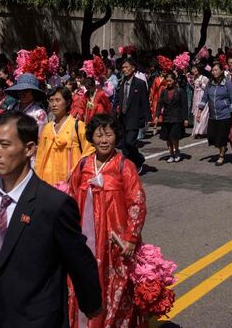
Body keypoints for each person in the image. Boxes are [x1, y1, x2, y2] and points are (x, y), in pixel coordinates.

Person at [0, 112, 102, 327]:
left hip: (36, 320)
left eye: (5, 144)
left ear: (29, 149)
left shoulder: (53, 204)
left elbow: (80, 262)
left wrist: (91, 304)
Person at [67, 114, 147, 328]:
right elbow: (71, 198)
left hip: (114, 242)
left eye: (109, 135)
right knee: (84, 280)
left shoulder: (124, 166)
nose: (104, 140)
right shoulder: (83, 164)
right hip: (85, 241)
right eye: (99, 135)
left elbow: (137, 203)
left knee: (114, 285)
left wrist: (131, 238)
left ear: (116, 137)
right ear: (91, 138)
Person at [35, 87, 95, 186]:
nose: (53, 104)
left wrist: (76, 172)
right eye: (51, 101)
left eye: (58, 100)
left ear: (67, 103)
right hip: (47, 181)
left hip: (70, 181)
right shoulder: (47, 128)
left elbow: (89, 151)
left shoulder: (78, 126)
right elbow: (40, 156)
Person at [198, 61, 232, 166]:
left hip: (225, 115)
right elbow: (204, 97)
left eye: (216, 70)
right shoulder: (210, 83)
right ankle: (222, 148)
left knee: (221, 137)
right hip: (213, 115)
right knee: (212, 137)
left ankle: (221, 156)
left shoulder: (227, 83)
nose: (214, 72)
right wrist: (199, 111)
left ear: (221, 71)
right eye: (213, 70)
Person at [115, 58, 149, 171]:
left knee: (130, 142)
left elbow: (145, 101)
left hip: (134, 118)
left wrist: (147, 118)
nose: (124, 69)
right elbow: (117, 100)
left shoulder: (140, 83)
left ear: (133, 68)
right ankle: (130, 165)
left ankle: (139, 160)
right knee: (124, 145)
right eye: (123, 67)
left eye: (126, 67)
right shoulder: (121, 82)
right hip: (123, 118)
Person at [153, 72, 188, 163]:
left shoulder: (180, 91)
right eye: (167, 81)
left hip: (176, 117)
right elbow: (159, 104)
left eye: (170, 80)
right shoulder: (164, 91)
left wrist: (185, 118)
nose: (168, 83)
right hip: (166, 117)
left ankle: (177, 151)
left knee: (174, 136)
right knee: (168, 137)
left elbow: (184, 105)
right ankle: (171, 154)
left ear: (174, 80)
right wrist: (156, 116)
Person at [190, 65, 209, 138]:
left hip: (202, 97)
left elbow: (207, 88)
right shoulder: (194, 78)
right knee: (196, 114)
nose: (194, 70)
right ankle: (196, 131)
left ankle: (201, 132)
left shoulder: (204, 78)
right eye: (193, 69)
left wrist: (202, 85)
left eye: (195, 69)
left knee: (203, 115)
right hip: (196, 97)